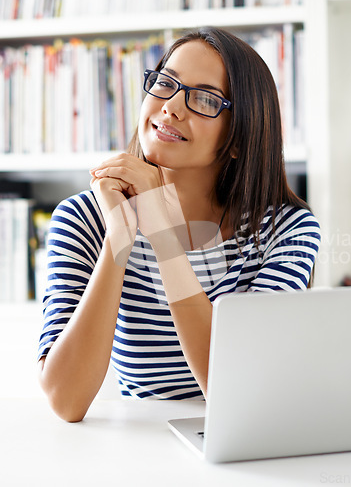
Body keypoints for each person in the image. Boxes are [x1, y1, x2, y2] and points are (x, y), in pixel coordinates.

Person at [37, 26, 321, 422]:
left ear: (239, 137)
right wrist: (119, 237)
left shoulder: (287, 230)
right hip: (144, 457)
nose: (171, 106)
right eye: (165, 83)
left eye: (205, 98)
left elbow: (236, 390)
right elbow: (66, 400)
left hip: (249, 441)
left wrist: (162, 235)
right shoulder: (83, 218)